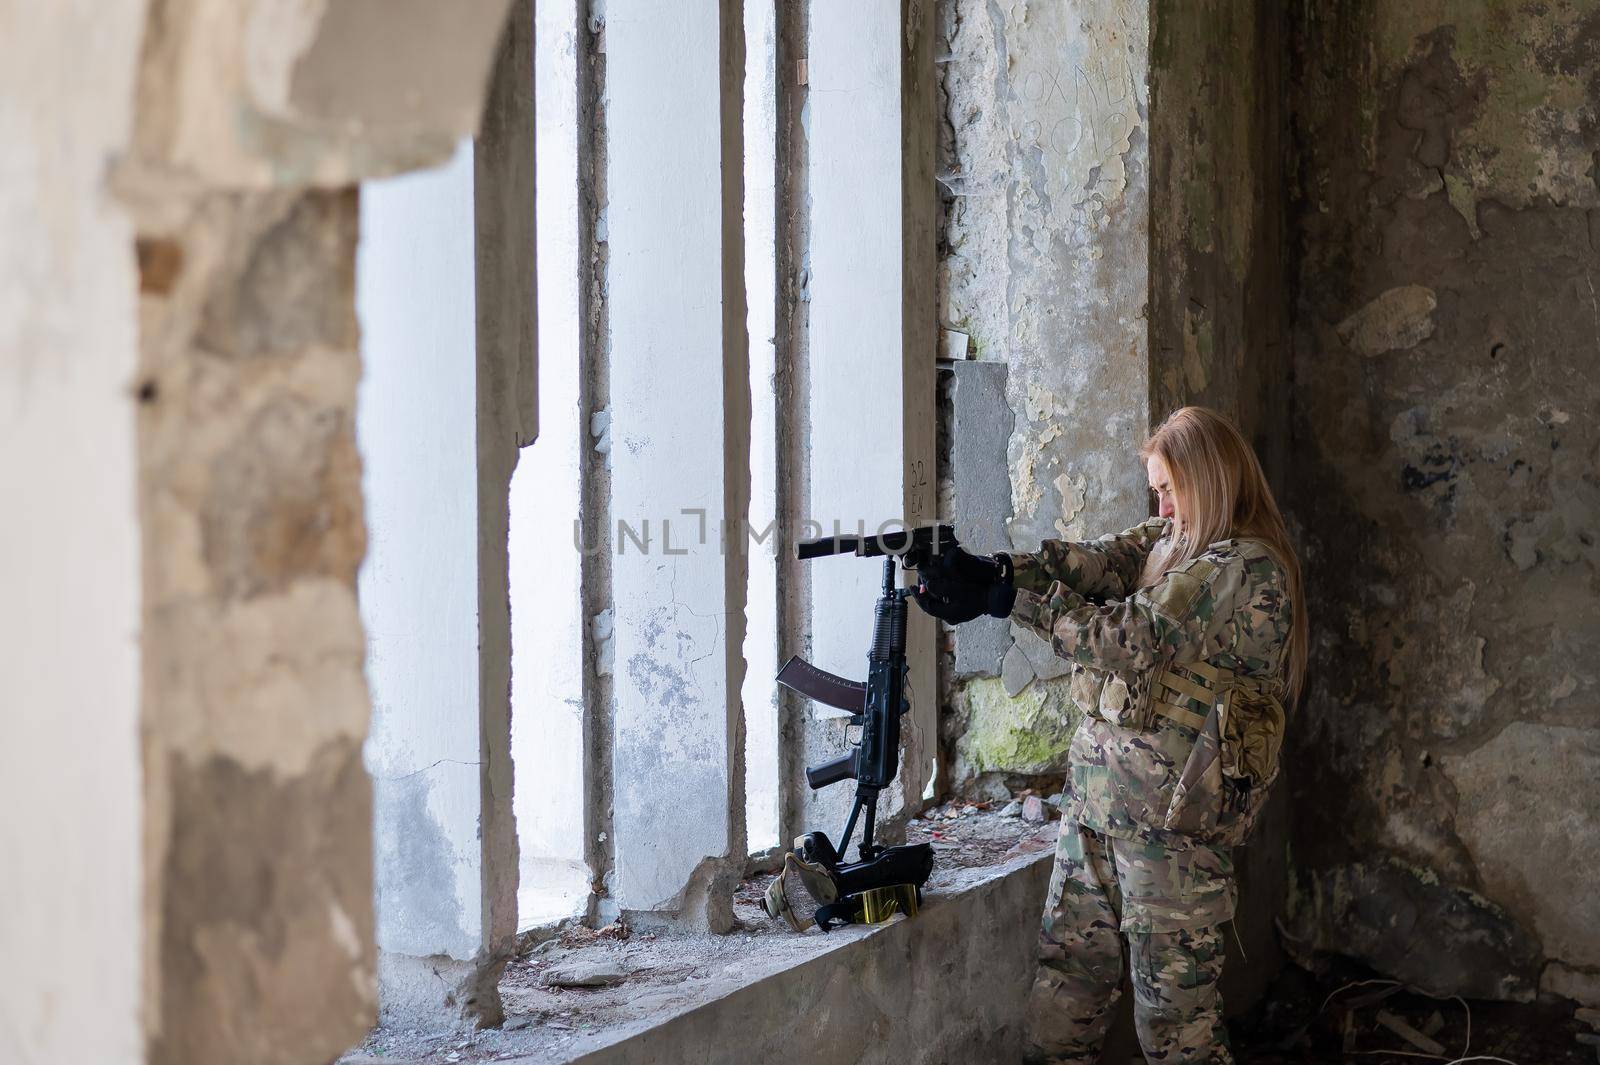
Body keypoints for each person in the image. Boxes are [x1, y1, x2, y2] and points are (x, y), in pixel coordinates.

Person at [913, 406, 1306, 1065]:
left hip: (1172, 833)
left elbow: (1132, 636)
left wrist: (1009, 600)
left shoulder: (1242, 568)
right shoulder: (1169, 538)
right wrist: (996, 572)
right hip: (1097, 809)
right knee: (1066, 990)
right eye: (1156, 488)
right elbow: (1093, 565)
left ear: (1209, 479)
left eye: (1169, 486)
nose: (1161, 501)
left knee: (1177, 1031)